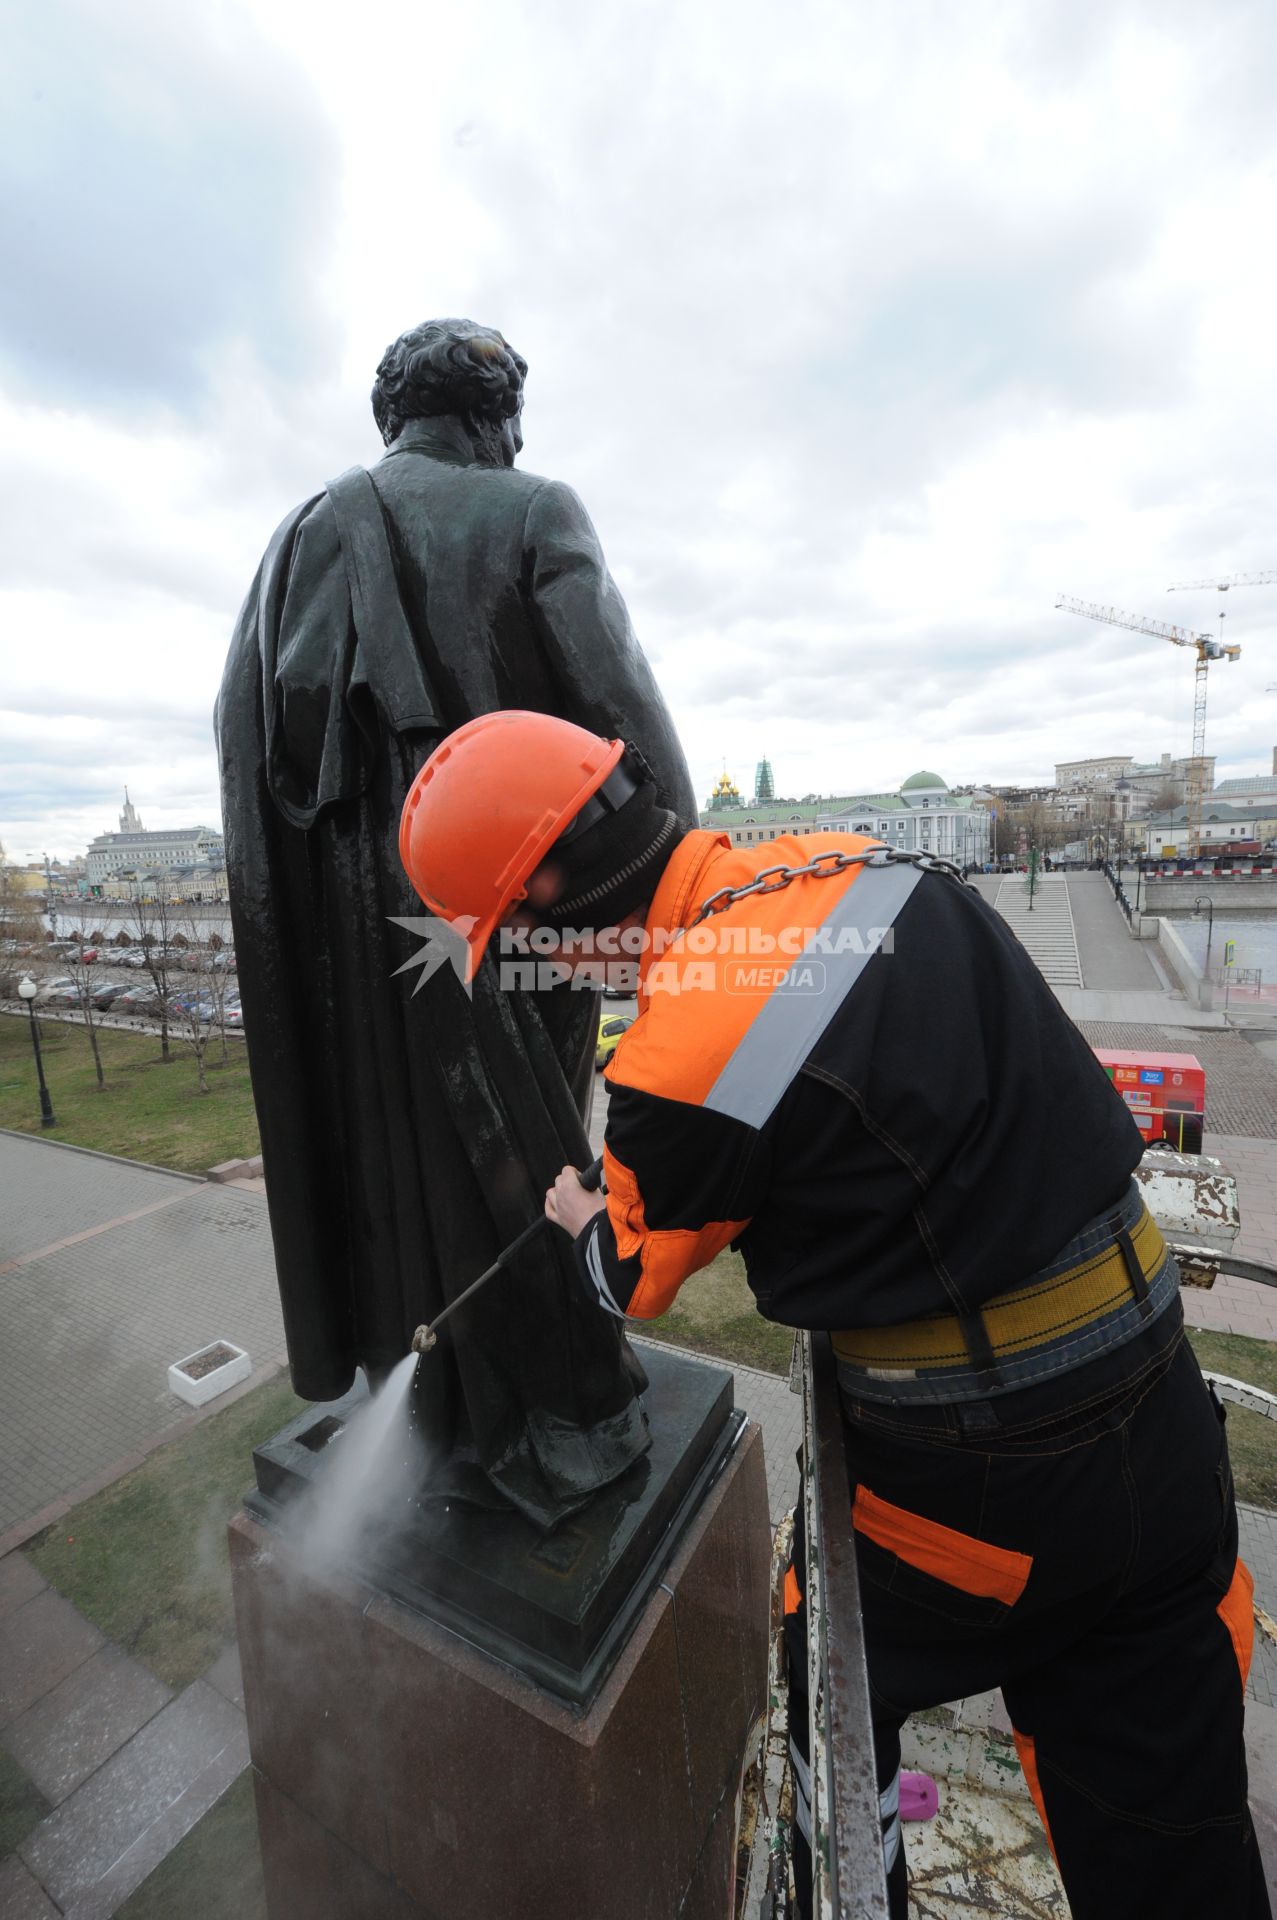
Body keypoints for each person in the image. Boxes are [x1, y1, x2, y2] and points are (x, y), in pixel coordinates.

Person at [399, 710, 1269, 1918]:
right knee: (1171, 1837)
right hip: (1159, 1409)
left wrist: (571, 1218)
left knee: (826, 1672)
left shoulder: (672, 1061)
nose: (545, 976)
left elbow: (628, 1280)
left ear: (550, 889)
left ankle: (859, 1886)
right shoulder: (867, 867)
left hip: (980, 1485)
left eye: (518, 946)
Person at [216, 320, 695, 1529]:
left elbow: (241, 726)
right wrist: (674, 877)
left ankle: (431, 1397)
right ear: (493, 416)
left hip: (348, 943)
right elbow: (621, 712)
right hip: (503, 909)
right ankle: (562, 1416)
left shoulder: (291, 542)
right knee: (519, 1156)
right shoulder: (533, 510)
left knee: (392, 1160)